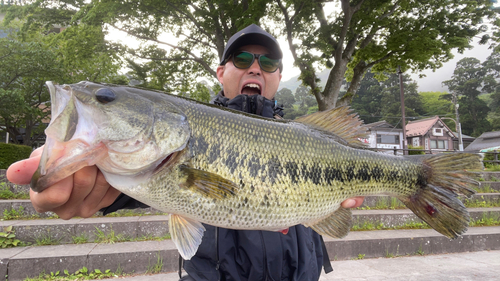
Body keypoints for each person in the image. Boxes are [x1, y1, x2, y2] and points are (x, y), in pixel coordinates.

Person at [6, 24, 364, 281]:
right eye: (242, 58)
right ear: (221, 72)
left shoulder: (310, 137)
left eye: (267, 63)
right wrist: (84, 181)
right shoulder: (165, 153)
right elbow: (122, 187)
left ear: (277, 76)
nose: (255, 67)